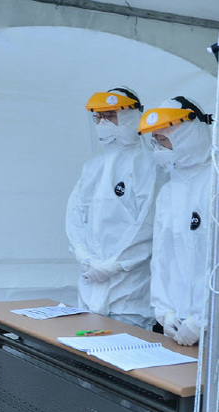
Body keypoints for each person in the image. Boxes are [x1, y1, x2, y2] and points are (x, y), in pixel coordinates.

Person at [66, 87, 157, 328]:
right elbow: (75, 215)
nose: (103, 123)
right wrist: (83, 254)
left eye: (110, 116)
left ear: (131, 116)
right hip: (90, 282)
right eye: (99, 117)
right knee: (88, 352)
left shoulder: (147, 164)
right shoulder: (93, 166)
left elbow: (148, 224)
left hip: (129, 286)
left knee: (125, 350)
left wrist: (115, 264)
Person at [138, 96, 213, 346]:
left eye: (164, 140)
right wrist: (164, 311)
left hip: (211, 324)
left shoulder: (214, 183)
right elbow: (162, 256)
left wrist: (202, 320)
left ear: (188, 136)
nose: (159, 150)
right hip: (179, 325)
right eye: (156, 142)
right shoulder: (169, 191)